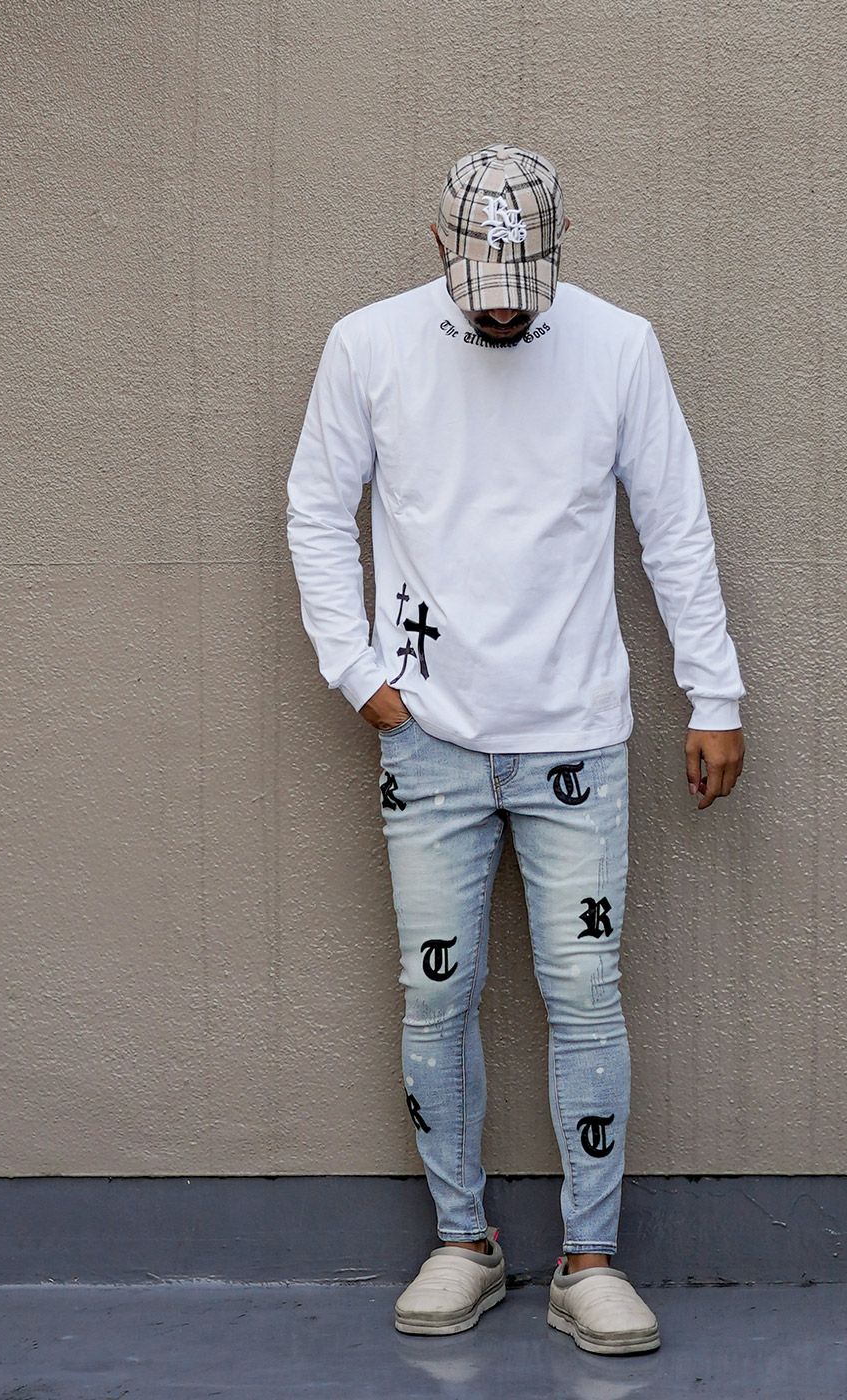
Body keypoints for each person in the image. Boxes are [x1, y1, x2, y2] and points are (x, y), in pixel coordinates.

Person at [285, 144, 746, 1356]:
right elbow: (316, 507)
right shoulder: (368, 346)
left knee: (585, 994)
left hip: (577, 732)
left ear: (560, 249)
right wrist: (360, 676)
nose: (502, 310)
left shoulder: (618, 346)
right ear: (439, 245)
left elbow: (676, 524)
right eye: (483, 286)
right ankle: (463, 1240)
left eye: (521, 289)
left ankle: (589, 1257)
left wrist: (715, 693)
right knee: (434, 993)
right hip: (427, 736)